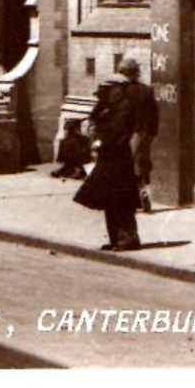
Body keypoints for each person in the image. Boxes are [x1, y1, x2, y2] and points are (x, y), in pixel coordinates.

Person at [73, 56, 159, 252]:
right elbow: (149, 126)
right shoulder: (135, 92)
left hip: (118, 149)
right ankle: (119, 238)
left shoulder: (120, 92)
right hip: (121, 149)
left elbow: (98, 115)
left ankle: (126, 239)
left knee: (116, 195)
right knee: (116, 195)